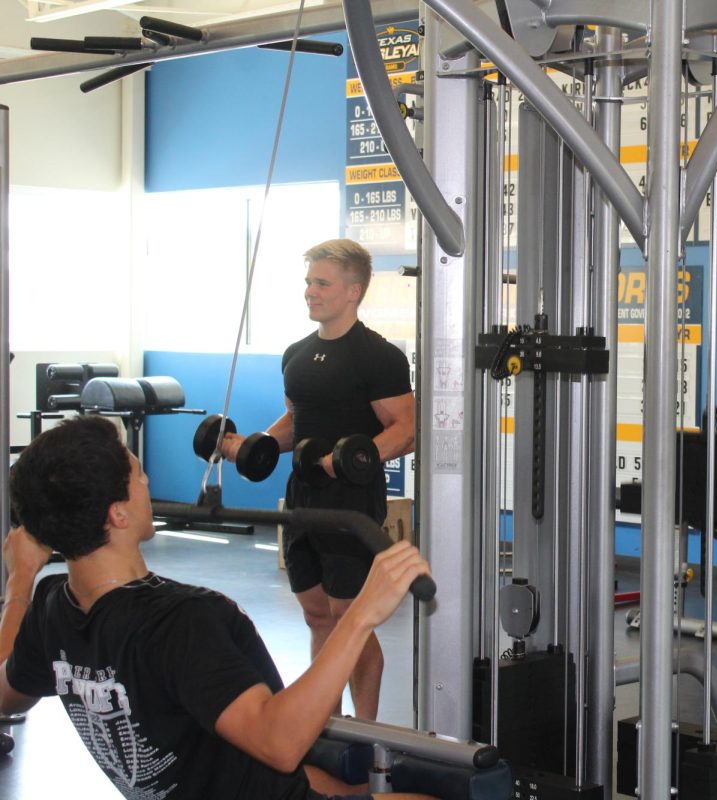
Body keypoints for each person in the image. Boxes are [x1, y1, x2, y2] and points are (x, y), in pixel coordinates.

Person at [0, 415, 435, 799]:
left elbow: (6, 696)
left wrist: (21, 579)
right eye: (137, 475)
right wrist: (361, 614)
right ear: (118, 515)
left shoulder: (51, 608)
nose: (147, 481)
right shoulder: (181, 619)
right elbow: (280, 744)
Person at [222, 239, 414, 721]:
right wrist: (257, 443)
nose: (310, 292)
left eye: (321, 283)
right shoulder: (297, 354)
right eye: (308, 282)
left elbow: (406, 430)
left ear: (353, 291)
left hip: (350, 504)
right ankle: (323, 723)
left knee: (351, 619)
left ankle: (369, 734)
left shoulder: (378, 356)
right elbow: (296, 423)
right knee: (316, 615)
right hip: (301, 500)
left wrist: (346, 459)